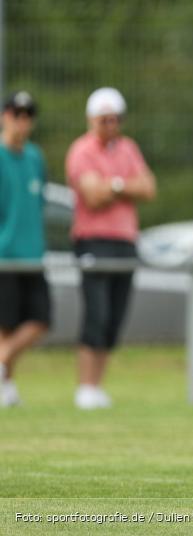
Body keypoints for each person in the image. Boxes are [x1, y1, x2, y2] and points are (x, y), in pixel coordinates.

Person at [65, 87, 156, 410]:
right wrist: (123, 185)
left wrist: (113, 185)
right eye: (104, 120)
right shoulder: (80, 150)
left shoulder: (128, 148)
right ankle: (85, 387)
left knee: (115, 315)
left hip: (125, 241)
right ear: (92, 120)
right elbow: (92, 196)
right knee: (97, 313)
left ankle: (97, 386)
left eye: (115, 119)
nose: (110, 125)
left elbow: (148, 188)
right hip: (93, 241)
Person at [0, 91, 49, 407]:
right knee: (5, 326)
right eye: (17, 114)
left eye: (28, 115)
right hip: (3, 255)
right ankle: (6, 386)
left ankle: (2, 369)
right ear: (5, 116)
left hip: (32, 254)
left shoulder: (35, 158)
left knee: (40, 320)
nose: (22, 121)